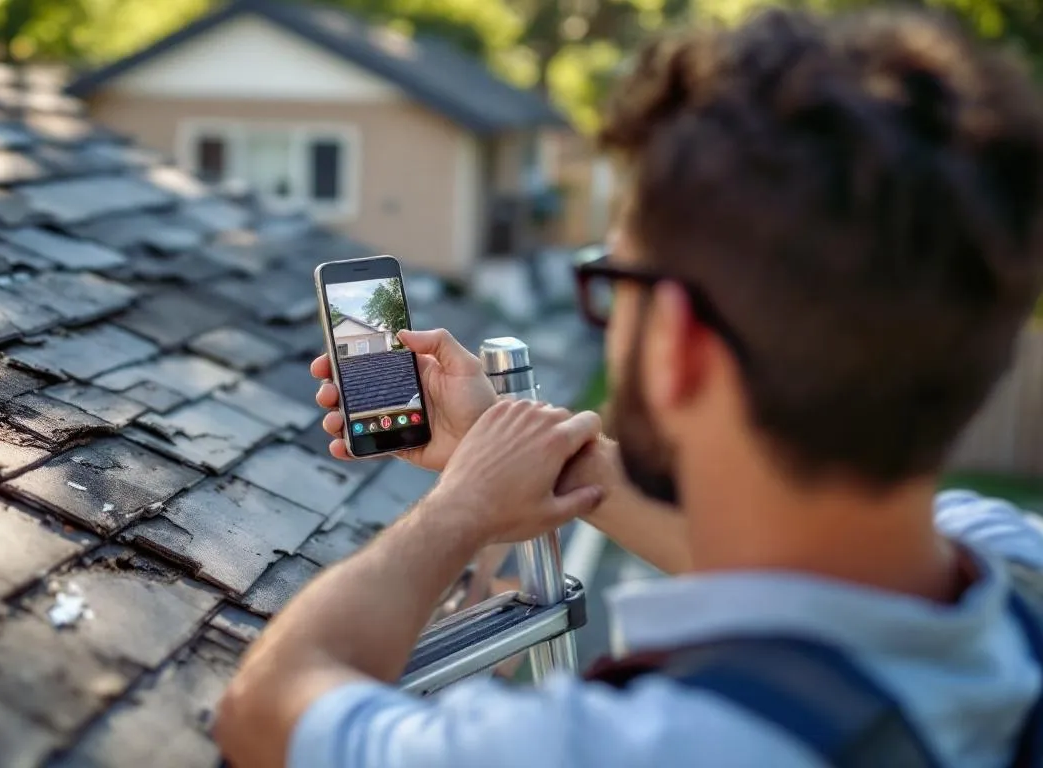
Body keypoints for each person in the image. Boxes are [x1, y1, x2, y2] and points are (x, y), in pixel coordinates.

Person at [213, 7, 1043, 768]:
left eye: (615, 282)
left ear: (677, 340)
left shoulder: (621, 747)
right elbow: (800, 589)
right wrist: (504, 442)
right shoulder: (1008, 561)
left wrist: (460, 510)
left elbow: (265, 710)